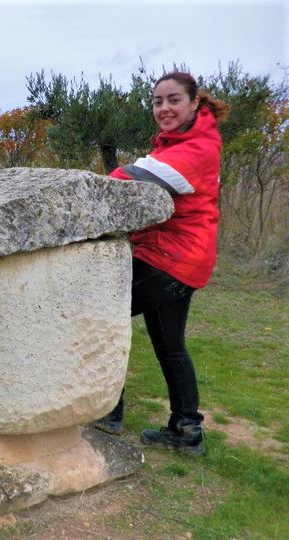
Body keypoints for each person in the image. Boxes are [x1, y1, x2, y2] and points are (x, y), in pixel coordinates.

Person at [94, 71, 229, 456]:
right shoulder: (186, 140)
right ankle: (186, 431)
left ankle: (108, 411)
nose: (164, 108)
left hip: (170, 257)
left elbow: (137, 175)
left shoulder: (197, 148)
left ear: (193, 103)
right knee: (170, 346)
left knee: (97, 312)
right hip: (181, 258)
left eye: (173, 100)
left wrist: (87, 190)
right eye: (157, 101)